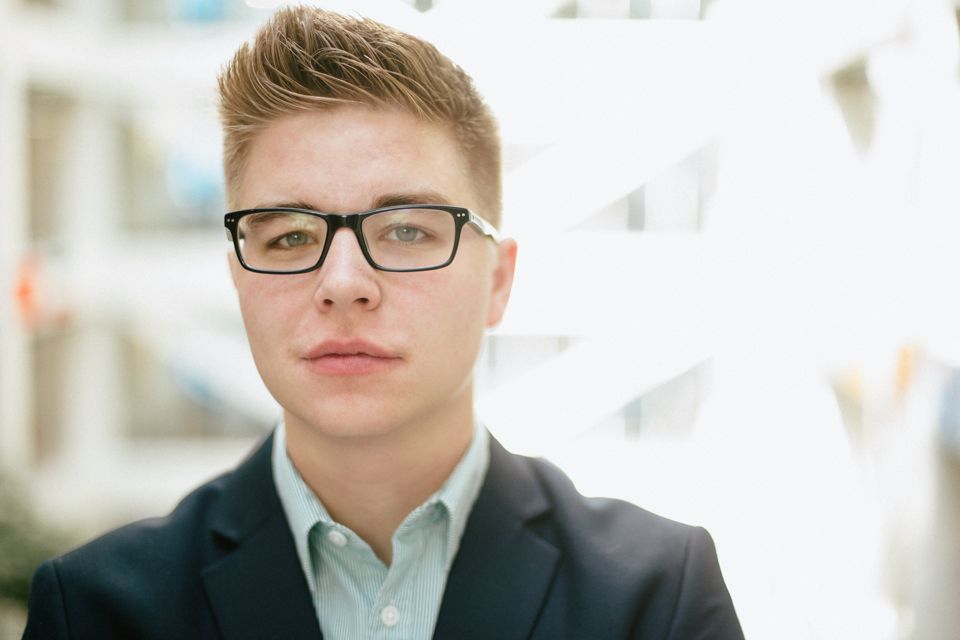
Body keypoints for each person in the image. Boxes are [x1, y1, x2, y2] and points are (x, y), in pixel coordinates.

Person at [22, 6, 743, 639]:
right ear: (239, 279)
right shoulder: (97, 612)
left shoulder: (655, 600)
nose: (342, 285)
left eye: (404, 231)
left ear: (498, 280)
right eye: (291, 237)